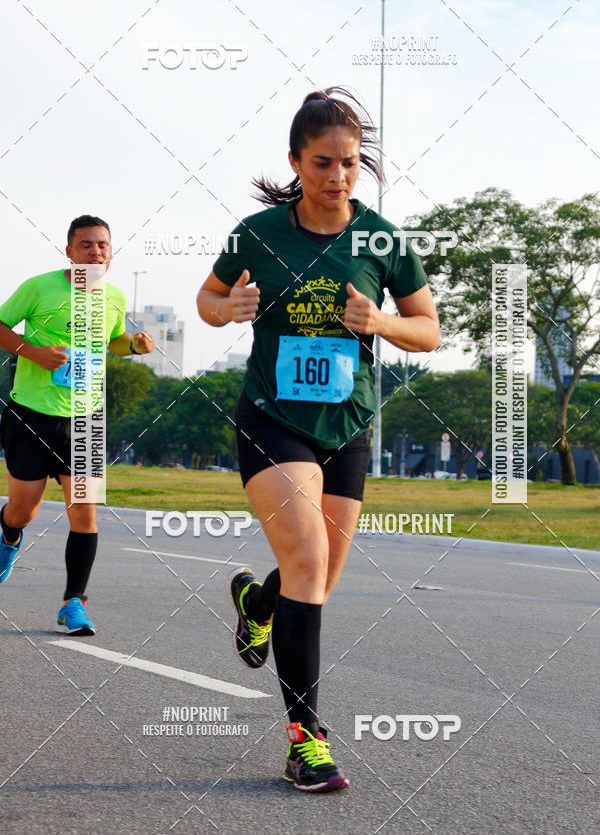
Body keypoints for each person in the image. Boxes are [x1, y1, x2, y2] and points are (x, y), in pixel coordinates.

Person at [196, 87, 439, 793]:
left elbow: (428, 329)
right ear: (296, 162)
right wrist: (228, 308)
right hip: (273, 418)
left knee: (319, 578)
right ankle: (306, 741)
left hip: (348, 424)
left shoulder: (383, 241)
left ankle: (257, 605)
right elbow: (206, 300)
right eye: (324, 162)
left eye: (350, 163)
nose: (339, 176)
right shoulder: (257, 234)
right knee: (306, 562)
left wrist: (380, 322)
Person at [0, 215, 155, 634]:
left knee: (84, 514)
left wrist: (134, 345)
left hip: (85, 420)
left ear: (111, 252)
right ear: (69, 251)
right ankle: (9, 536)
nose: (95, 252)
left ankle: (74, 603)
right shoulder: (39, 288)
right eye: (86, 245)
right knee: (23, 510)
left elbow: (114, 340)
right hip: (31, 414)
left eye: (103, 245)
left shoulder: (114, 296)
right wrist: (33, 353)